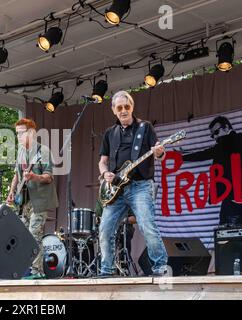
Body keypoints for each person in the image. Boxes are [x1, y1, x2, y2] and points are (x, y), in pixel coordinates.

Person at [98, 90, 168, 277]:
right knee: (105, 229)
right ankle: (107, 270)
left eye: (126, 107)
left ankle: (160, 267)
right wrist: (105, 173)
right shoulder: (109, 133)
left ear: (132, 107)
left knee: (147, 225)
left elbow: (160, 155)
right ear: (113, 110)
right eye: (119, 107)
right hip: (115, 190)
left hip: (140, 186)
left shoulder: (145, 128)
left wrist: (160, 152)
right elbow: (102, 161)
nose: (123, 110)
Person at [7, 118, 59, 280]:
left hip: (40, 201)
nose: (18, 137)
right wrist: (11, 191)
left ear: (31, 133)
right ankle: (26, 269)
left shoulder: (43, 151)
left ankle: (38, 272)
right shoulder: (21, 152)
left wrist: (34, 176)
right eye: (17, 134)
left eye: (21, 133)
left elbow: (49, 177)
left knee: (34, 234)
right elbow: (17, 174)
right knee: (23, 236)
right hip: (24, 201)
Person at [181, 116, 242, 226]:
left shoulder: (227, 143)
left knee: (227, 238)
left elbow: (204, 154)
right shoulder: (224, 145)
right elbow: (206, 153)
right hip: (230, 199)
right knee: (227, 236)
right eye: (213, 135)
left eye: (217, 132)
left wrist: (181, 158)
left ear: (227, 127)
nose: (215, 136)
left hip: (232, 200)